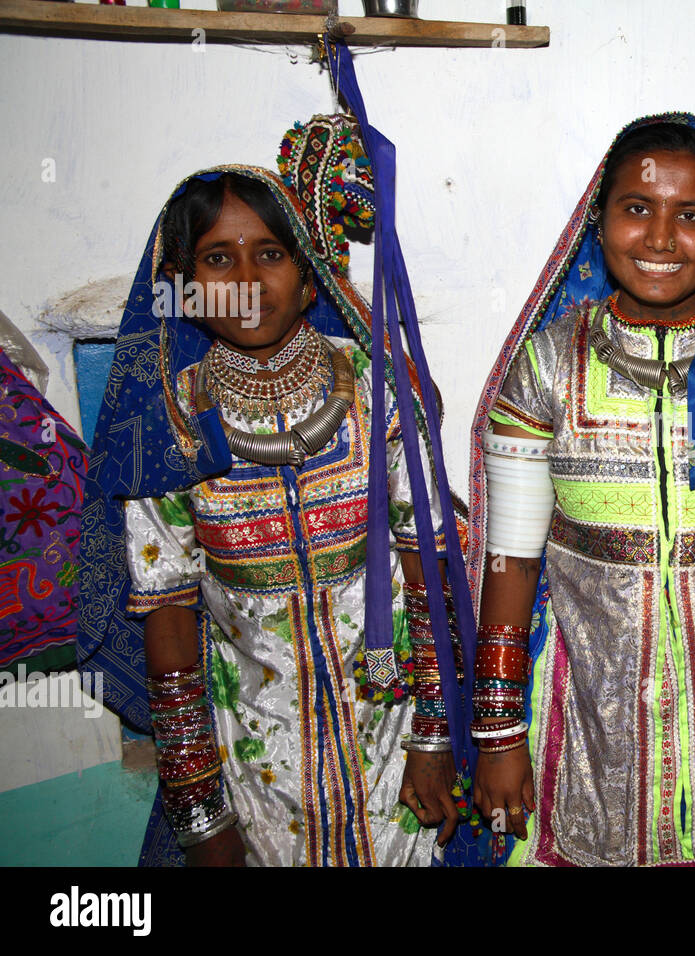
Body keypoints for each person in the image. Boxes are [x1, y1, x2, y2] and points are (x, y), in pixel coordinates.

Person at [77, 166, 465, 866]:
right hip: (252, 766)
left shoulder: (381, 392)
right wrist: (201, 815)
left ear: (310, 277)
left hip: (393, 745)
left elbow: (429, 570)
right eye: (218, 258)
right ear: (182, 287)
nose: (247, 278)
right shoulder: (167, 426)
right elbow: (168, 622)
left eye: (270, 253)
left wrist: (435, 743)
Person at [467, 115, 695, 865]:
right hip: (589, 735)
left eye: (690, 216)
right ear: (598, 223)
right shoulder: (548, 366)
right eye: (637, 208)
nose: (661, 239)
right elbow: (511, 560)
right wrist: (499, 735)